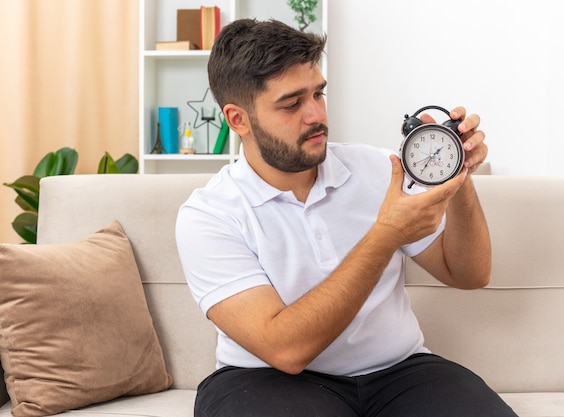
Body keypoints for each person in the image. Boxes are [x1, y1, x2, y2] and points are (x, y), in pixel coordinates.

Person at [176, 18, 518, 417]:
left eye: (318, 94)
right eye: (292, 103)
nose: (315, 114)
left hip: (400, 371)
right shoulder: (209, 215)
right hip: (267, 379)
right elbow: (286, 350)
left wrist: (458, 176)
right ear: (238, 119)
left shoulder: (376, 168)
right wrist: (385, 235)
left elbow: (470, 274)